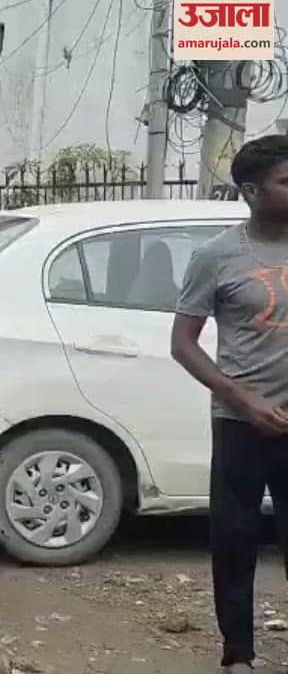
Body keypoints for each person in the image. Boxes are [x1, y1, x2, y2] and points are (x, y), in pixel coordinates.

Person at [172, 134, 288, 674]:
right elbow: (183, 344)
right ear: (251, 191)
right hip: (241, 424)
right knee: (237, 544)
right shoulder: (216, 256)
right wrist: (242, 400)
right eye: (286, 182)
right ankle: (237, 654)